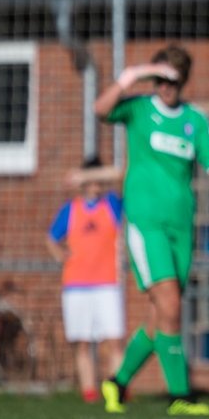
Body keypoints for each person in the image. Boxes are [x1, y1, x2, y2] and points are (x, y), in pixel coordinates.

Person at [94, 44, 209, 416]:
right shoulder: (140, 108)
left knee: (162, 316)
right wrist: (130, 77)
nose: (164, 88)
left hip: (181, 228)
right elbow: (101, 110)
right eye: (159, 80)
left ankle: (116, 383)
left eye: (171, 82)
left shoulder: (194, 120)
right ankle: (181, 396)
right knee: (171, 305)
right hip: (146, 225)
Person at [45, 156, 127, 404]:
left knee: (114, 341)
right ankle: (89, 392)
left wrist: (92, 175)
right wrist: (61, 255)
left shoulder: (112, 204)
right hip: (76, 285)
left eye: (97, 181)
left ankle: (118, 387)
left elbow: (122, 175)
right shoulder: (71, 209)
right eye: (90, 182)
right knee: (82, 343)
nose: (95, 187)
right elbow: (51, 238)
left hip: (107, 283)